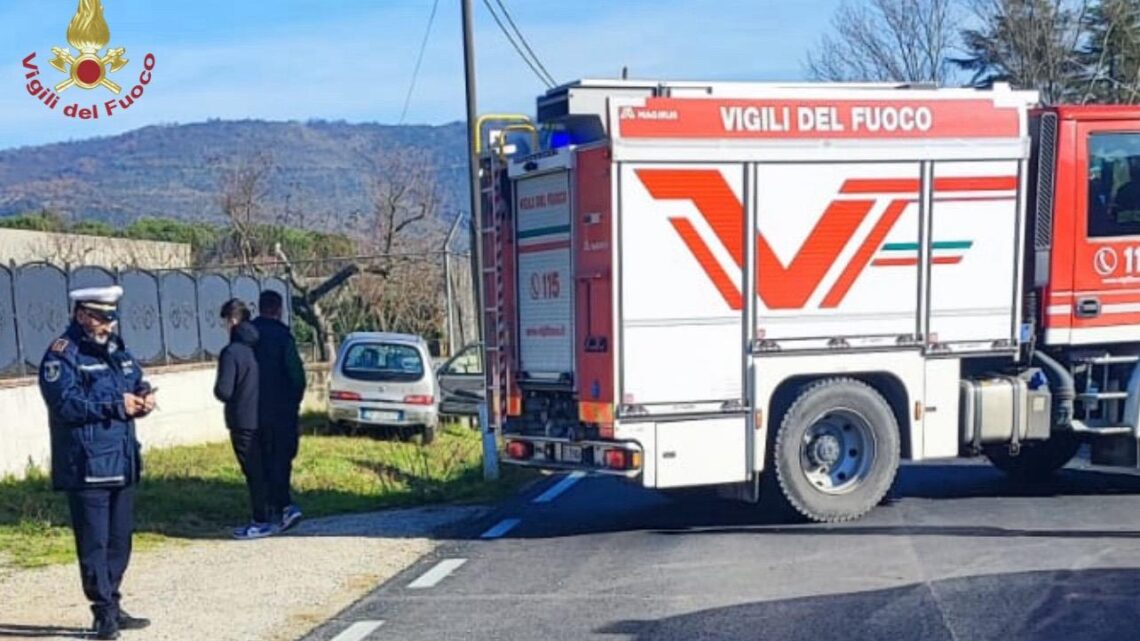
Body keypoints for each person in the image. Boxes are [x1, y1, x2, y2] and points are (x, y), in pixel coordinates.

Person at [38, 285, 155, 640]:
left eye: (111, 318)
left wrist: (144, 395)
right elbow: (66, 404)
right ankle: (101, 611)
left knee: (120, 541)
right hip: (87, 464)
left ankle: (114, 602)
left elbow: (135, 378)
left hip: (122, 458)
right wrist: (116, 406)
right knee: (94, 543)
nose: (109, 325)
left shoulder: (116, 348)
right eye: (103, 318)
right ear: (83, 315)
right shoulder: (63, 355)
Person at [212, 298, 272, 540]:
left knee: (252, 472)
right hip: (264, 415)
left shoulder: (231, 352)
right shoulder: (260, 346)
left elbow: (224, 391)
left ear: (233, 320)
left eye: (225, 321)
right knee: (265, 468)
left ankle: (260, 520)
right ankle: (272, 512)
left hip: (241, 419)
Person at [251, 290, 306, 531]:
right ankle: (283, 503)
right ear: (278, 309)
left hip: (253, 410)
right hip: (282, 410)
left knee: (261, 459)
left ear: (260, 308)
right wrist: (294, 402)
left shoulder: (248, 334)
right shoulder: (284, 337)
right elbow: (297, 376)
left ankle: (264, 506)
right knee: (282, 458)